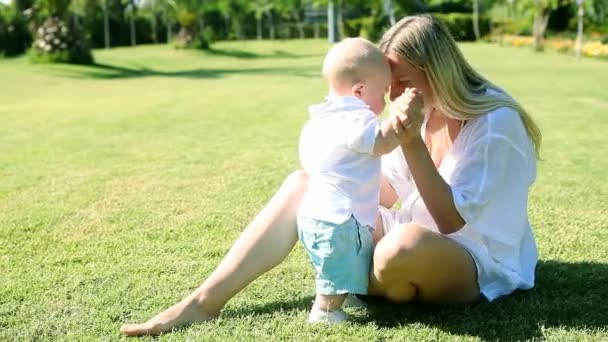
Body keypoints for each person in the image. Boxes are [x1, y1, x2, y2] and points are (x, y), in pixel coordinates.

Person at [120, 14, 542, 337]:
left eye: (403, 83)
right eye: (388, 85)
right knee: (306, 185)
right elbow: (388, 191)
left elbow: (452, 222)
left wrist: (408, 140)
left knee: (399, 247)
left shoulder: (496, 123)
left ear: (437, 72)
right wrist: (338, 159)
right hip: (412, 235)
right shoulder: (424, 108)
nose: (392, 97)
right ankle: (203, 301)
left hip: (478, 260)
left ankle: (350, 273)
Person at [296, 37, 422, 324]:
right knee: (342, 257)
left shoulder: (321, 117)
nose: (387, 99)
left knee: (339, 263)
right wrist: (403, 118)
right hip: (341, 218)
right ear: (360, 90)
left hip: (315, 212)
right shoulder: (355, 117)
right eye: (384, 93)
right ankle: (326, 312)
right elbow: (380, 141)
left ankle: (343, 291)